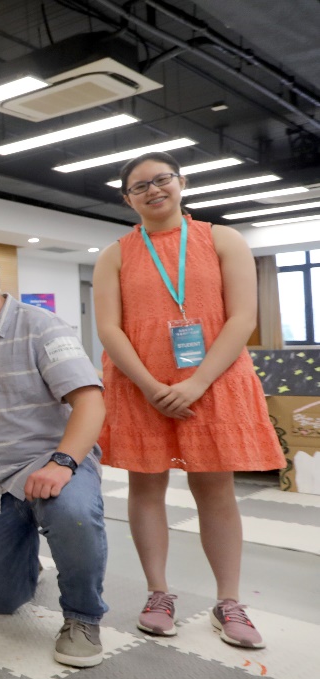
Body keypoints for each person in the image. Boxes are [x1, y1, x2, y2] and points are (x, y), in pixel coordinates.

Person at [93, 152, 282, 649]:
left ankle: (229, 602)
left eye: (162, 180)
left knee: (215, 490)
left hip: (213, 384)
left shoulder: (221, 238)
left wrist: (196, 383)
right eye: (140, 186)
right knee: (146, 488)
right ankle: (158, 594)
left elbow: (242, 318)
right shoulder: (115, 253)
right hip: (140, 386)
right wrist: (150, 386)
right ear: (126, 198)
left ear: (183, 182)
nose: (154, 190)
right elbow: (109, 329)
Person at [0, 245, 109, 668]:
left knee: (72, 512)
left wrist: (63, 463)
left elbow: (90, 402)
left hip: (51, 463)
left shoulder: (42, 327)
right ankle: (25, 553)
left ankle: (83, 617)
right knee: (0, 602)